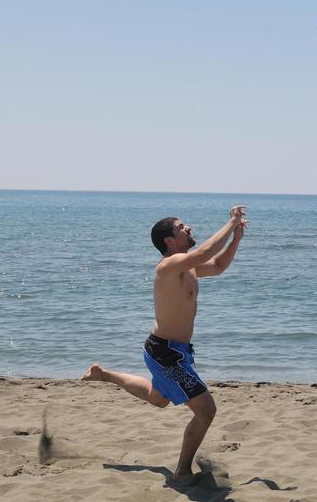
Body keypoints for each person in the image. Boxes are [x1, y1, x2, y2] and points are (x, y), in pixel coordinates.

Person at [82, 205, 248, 481]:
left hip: (173, 351)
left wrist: (236, 239)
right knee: (206, 410)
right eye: (182, 228)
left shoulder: (187, 268)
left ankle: (104, 374)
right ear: (170, 241)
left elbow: (217, 265)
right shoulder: (169, 266)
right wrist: (231, 223)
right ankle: (182, 472)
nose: (188, 228)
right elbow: (206, 252)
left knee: (158, 399)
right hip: (166, 352)